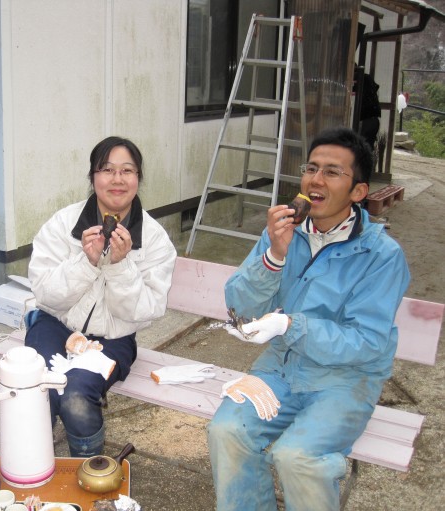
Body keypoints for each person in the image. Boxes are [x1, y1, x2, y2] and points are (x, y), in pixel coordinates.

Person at [207, 127, 410, 510]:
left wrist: (290, 325)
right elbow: (239, 306)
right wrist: (274, 257)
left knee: (297, 457)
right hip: (280, 367)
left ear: (358, 191)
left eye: (332, 172)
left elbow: (367, 341)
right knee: (228, 430)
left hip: (346, 381)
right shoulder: (283, 232)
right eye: (311, 168)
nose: (316, 180)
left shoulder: (381, 256)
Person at [25, 136, 177, 457]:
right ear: (93, 177)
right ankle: (32, 465)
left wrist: (119, 267)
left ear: (138, 178)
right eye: (107, 170)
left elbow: (146, 311)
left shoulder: (154, 239)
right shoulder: (63, 224)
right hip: (55, 325)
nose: (117, 179)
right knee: (37, 387)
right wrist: (87, 262)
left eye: (127, 170)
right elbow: (45, 293)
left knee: (75, 397)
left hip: (113, 338)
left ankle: (89, 471)